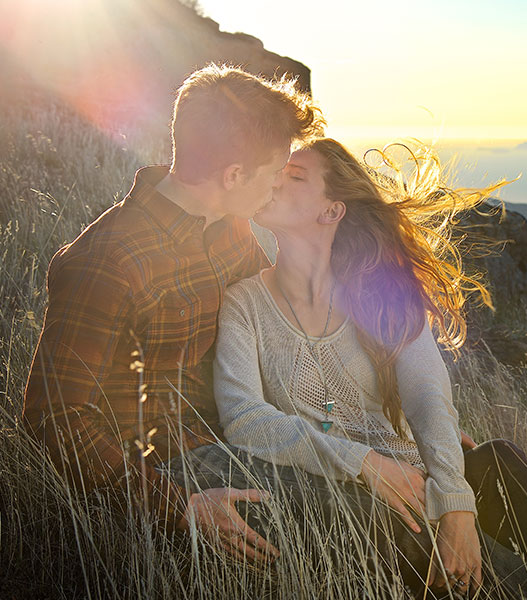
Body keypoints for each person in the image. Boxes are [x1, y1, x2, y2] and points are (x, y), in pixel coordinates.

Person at [187, 138, 527, 598]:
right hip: (358, 505)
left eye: (295, 175)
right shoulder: (244, 303)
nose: (275, 180)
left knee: (500, 476)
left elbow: (429, 400)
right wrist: (365, 464)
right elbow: (246, 420)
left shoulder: (382, 295)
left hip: (426, 480)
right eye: (277, 170)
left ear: (331, 212)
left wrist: (455, 506)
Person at [23, 63, 323, 561]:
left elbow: (278, 330)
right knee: (389, 514)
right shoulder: (108, 262)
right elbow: (53, 417)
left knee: (461, 465)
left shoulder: (231, 226)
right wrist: (178, 505)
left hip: (239, 431)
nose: (277, 189)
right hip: (174, 471)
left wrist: (379, 411)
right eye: (274, 175)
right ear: (233, 175)